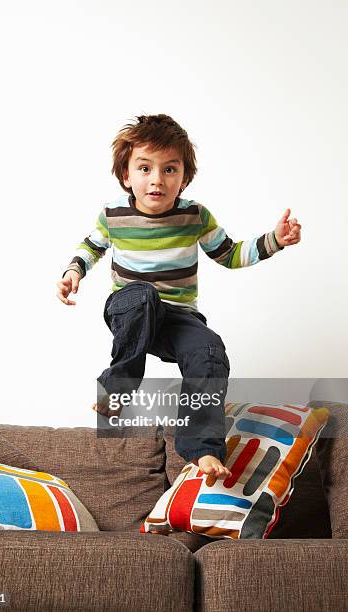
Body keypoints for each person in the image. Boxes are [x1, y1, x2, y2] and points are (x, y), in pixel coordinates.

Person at [56, 113, 302, 478]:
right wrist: (73, 271)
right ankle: (117, 390)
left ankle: (202, 449)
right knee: (142, 296)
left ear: (184, 178)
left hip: (176, 318)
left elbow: (230, 255)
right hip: (130, 310)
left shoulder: (195, 217)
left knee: (209, 349)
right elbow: (91, 248)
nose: (157, 179)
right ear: (127, 175)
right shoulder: (113, 216)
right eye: (144, 168)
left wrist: (275, 241)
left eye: (170, 170)